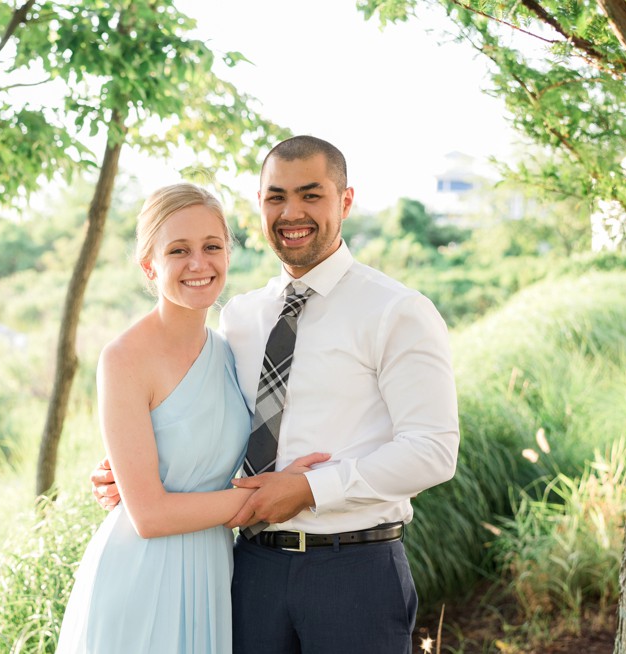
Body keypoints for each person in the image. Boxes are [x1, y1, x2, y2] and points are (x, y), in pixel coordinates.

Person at [91, 136, 461, 653]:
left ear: (345, 201)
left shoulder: (397, 311)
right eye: (276, 197)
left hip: (353, 570)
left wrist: (311, 490)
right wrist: (136, 475)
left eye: (311, 195)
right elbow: (197, 416)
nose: (292, 213)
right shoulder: (239, 318)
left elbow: (433, 452)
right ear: (260, 205)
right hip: (249, 569)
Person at [57, 183, 327, 654]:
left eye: (212, 247)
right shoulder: (123, 358)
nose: (199, 264)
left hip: (213, 573)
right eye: (178, 250)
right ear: (150, 265)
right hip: (142, 576)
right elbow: (150, 515)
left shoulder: (230, 351)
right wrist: (274, 496)